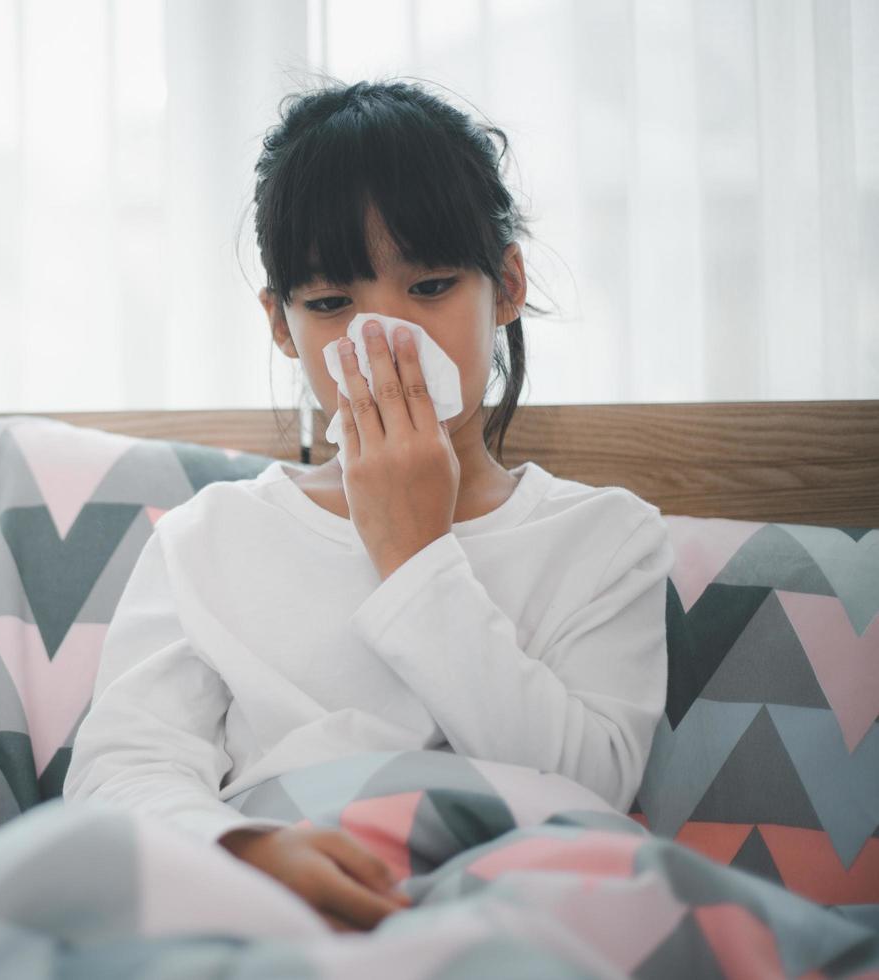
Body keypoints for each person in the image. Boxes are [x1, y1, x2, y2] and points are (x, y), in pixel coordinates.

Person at [60, 78, 675, 935]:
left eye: (428, 287)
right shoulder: (212, 539)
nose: (382, 338)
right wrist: (243, 848)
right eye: (330, 303)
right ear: (282, 325)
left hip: (513, 913)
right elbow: (121, 768)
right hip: (271, 913)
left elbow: (592, 788)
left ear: (504, 286)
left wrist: (417, 553)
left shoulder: (605, 538)